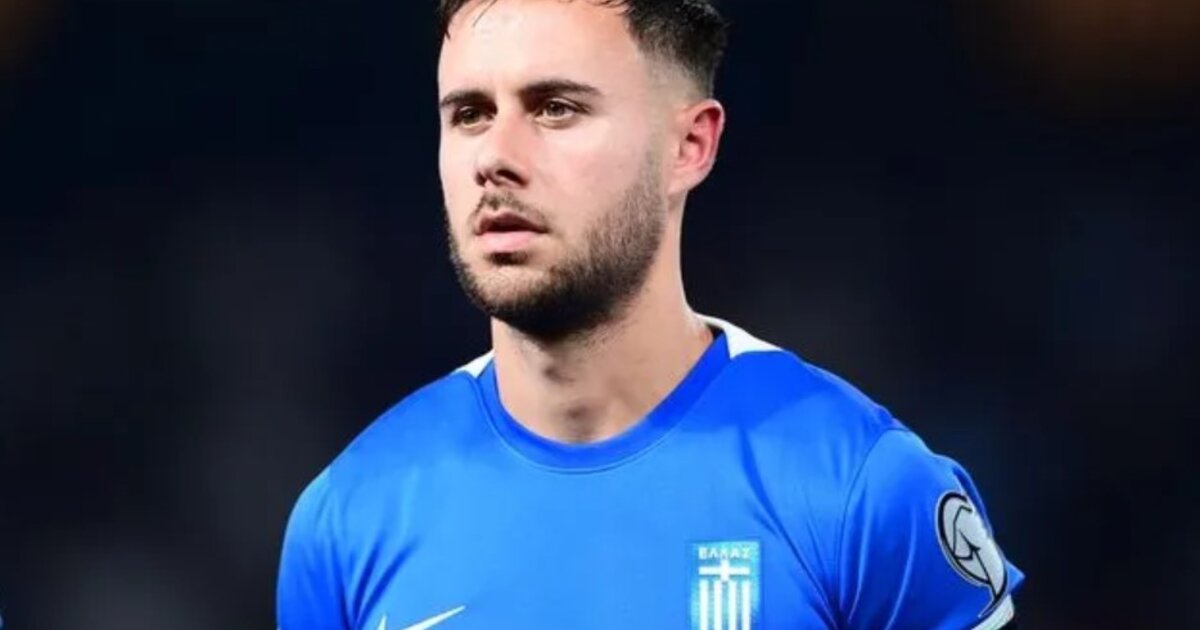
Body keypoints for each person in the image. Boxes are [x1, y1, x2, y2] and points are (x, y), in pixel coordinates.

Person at [276, 0, 1025, 628]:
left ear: (689, 146)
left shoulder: (861, 490)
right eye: (470, 114)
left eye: (556, 108)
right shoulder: (349, 519)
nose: (495, 156)